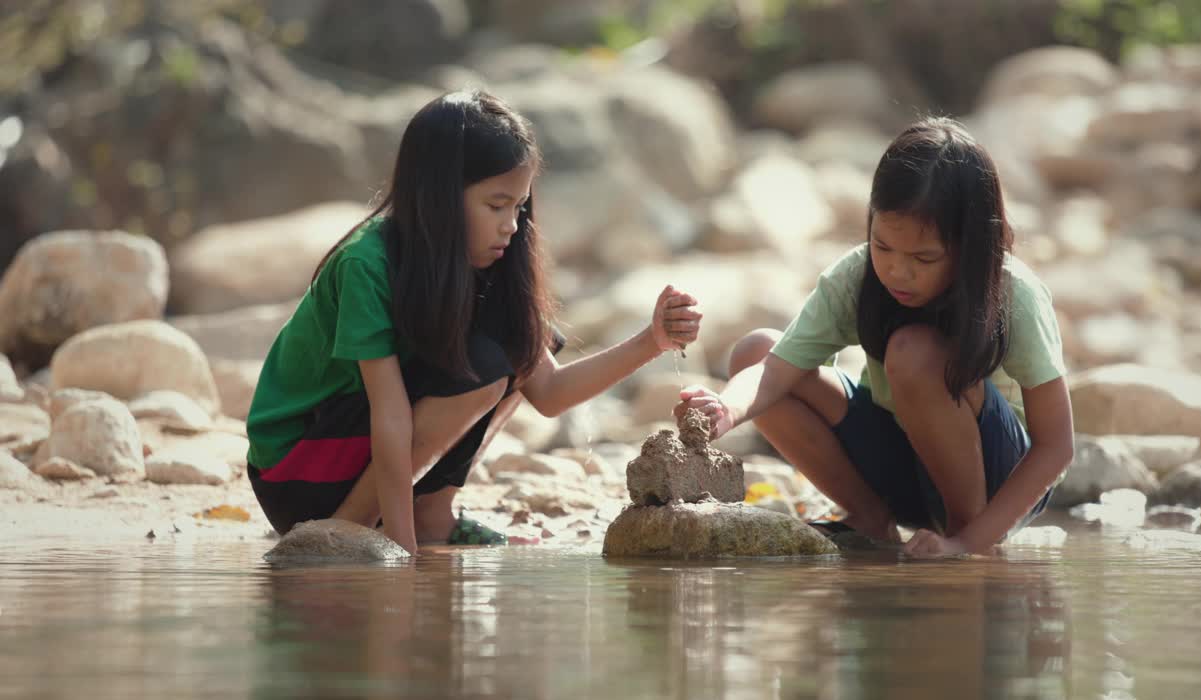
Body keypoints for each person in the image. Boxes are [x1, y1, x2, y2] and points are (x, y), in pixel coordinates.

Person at [246, 90, 701, 553]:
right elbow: (389, 412)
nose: (512, 224)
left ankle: (432, 520)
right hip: (296, 468)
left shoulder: (486, 263)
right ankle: (346, 531)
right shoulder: (367, 263)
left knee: (511, 352)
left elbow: (549, 391)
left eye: (520, 206)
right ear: (439, 196)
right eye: (496, 205)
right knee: (484, 369)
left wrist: (652, 340)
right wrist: (399, 557)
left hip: (358, 454)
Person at [674, 117, 1073, 558]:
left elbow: (1056, 446)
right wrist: (726, 409)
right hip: (902, 466)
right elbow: (776, 369)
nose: (897, 272)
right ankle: (869, 518)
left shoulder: (1013, 294)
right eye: (883, 247)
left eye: (923, 257)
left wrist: (969, 541)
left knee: (913, 352)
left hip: (998, 486)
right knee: (755, 351)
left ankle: (960, 531)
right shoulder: (858, 277)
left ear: (970, 246)